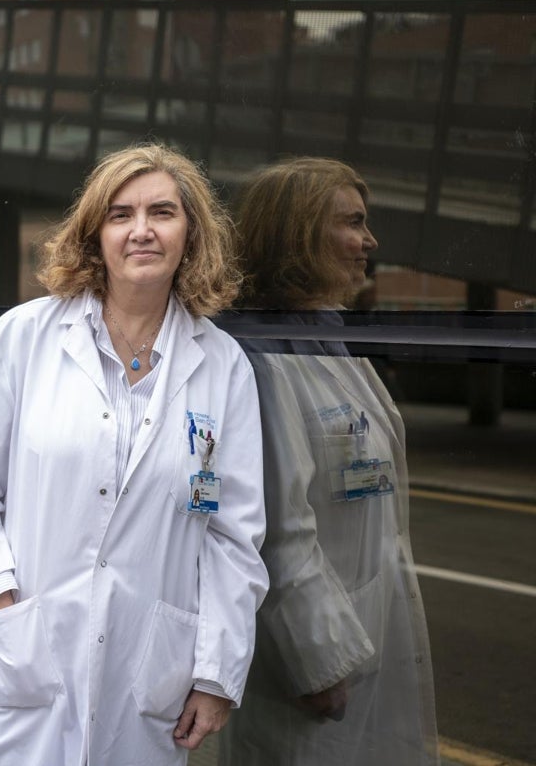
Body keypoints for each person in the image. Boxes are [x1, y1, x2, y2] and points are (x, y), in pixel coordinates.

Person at [0, 144, 268, 765]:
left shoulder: (223, 367)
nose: (141, 230)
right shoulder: (24, 339)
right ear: (96, 235)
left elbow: (232, 538)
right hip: (32, 659)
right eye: (120, 214)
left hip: (151, 672)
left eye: (162, 212)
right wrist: (6, 615)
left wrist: (215, 674)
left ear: (190, 234)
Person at [218, 158, 438, 765]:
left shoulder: (332, 341)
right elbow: (272, 527)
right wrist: (317, 660)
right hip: (316, 671)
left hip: (365, 628)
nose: (370, 241)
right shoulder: (260, 358)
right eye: (354, 223)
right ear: (300, 233)